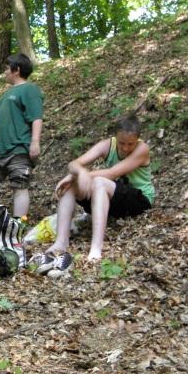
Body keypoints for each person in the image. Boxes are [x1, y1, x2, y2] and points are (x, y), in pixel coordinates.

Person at [37, 114, 155, 277]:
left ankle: (96, 249)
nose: (126, 148)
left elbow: (113, 173)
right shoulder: (107, 145)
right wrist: (78, 172)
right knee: (72, 186)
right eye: (122, 143)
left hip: (139, 201)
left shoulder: (142, 149)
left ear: (138, 140)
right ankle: (60, 242)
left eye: (130, 144)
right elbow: (74, 163)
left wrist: (77, 175)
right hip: (115, 198)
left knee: (99, 182)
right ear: (115, 137)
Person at [0, 53, 43, 221]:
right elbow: (4, 122)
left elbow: (36, 117)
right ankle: (1, 221)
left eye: (7, 68)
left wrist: (35, 142)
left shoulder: (29, 89)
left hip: (19, 147)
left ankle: (17, 228)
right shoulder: (6, 94)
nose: (5, 72)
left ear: (17, 69)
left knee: (19, 186)